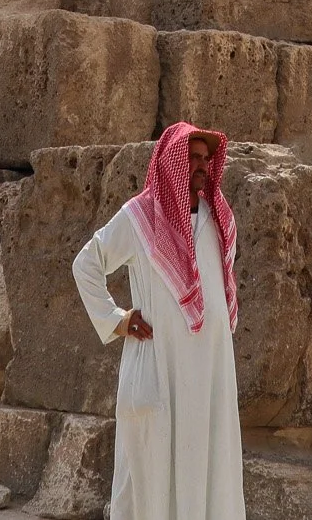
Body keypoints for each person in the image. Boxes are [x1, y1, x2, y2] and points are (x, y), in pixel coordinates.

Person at [71, 121, 246, 520]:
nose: (201, 165)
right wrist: (117, 319)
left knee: (211, 465)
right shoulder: (140, 218)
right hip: (160, 368)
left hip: (210, 372)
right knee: (152, 472)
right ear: (172, 162)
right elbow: (87, 264)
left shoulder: (219, 220)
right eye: (193, 157)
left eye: (206, 158)